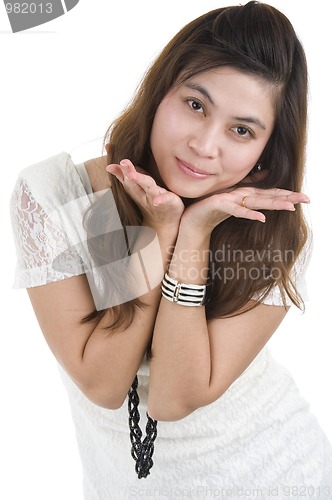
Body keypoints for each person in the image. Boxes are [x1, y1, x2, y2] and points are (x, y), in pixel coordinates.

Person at [10, 1, 332, 498]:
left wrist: (193, 237)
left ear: (266, 153)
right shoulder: (59, 196)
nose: (205, 145)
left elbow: (171, 399)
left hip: (278, 477)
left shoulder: (273, 232)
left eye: (241, 130)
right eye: (196, 105)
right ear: (160, 93)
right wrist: (158, 236)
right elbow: (102, 383)